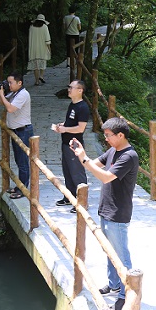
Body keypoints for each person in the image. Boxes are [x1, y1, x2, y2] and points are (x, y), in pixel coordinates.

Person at [70, 117, 139, 310]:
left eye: (108, 135)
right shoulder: (113, 150)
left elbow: (105, 177)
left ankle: (125, 294)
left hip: (118, 212)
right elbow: (94, 164)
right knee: (109, 251)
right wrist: (80, 154)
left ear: (120, 135)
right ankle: (114, 284)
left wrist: (84, 158)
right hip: (106, 208)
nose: (106, 139)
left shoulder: (129, 156)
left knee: (121, 255)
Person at [53, 80, 90, 213]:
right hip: (66, 142)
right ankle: (70, 197)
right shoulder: (72, 104)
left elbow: (80, 128)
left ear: (80, 90)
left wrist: (65, 129)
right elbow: (71, 122)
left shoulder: (83, 107)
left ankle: (82, 202)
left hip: (75, 144)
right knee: (67, 171)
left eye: (71, 87)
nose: (69, 89)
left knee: (77, 172)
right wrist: (62, 125)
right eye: (69, 87)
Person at [0, 71, 33, 200]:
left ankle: (23, 189)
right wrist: (1, 93)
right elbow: (2, 103)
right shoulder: (14, 93)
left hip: (23, 131)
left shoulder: (23, 94)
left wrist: (1, 94)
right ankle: (19, 186)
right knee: (18, 160)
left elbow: (10, 109)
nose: (9, 85)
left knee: (22, 162)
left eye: (10, 82)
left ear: (19, 83)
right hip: (17, 130)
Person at [27, 14, 51, 86]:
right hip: (42, 48)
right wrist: (49, 49)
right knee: (42, 63)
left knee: (35, 65)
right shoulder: (45, 27)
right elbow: (47, 39)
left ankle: (37, 81)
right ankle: (41, 76)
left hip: (33, 49)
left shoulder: (31, 27)